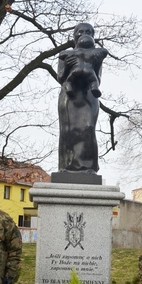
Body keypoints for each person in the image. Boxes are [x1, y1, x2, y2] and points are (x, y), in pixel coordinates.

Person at [57, 23, 106, 174]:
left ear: (92, 35)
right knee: (68, 129)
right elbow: (60, 77)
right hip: (69, 95)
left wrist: (93, 64)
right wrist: (67, 66)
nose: (83, 34)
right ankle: (66, 166)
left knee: (88, 128)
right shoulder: (66, 54)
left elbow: (97, 78)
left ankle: (88, 166)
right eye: (80, 31)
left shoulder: (96, 54)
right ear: (75, 35)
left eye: (87, 31)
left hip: (89, 95)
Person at [59, 33, 108, 99]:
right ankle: (94, 87)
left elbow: (62, 54)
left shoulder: (73, 52)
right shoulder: (94, 53)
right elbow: (104, 51)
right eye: (80, 32)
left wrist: (98, 63)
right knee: (93, 80)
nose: (84, 34)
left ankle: (69, 86)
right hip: (89, 70)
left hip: (76, 70)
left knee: (69, 80)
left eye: (88, 32)